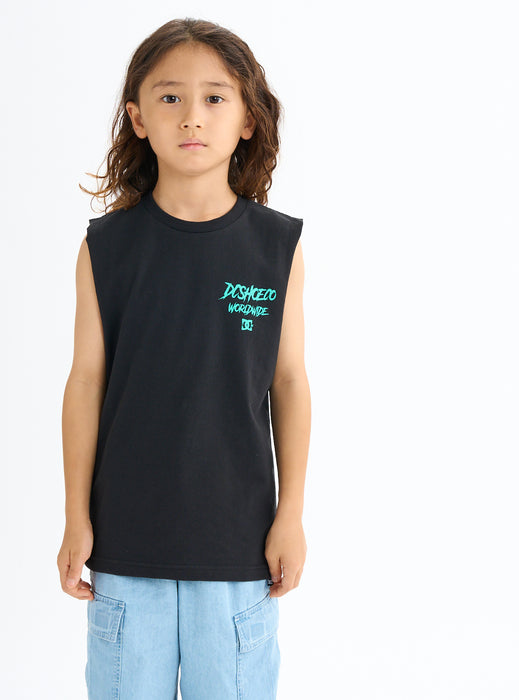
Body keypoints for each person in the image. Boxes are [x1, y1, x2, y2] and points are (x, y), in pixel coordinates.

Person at [57, 17, 311, 700]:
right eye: (169, 97)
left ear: (248, 119)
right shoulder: (106, 249)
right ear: (138, 118)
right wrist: (76, 517)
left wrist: (290, 514)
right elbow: (85, 383)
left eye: (214, 98)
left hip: (238, 550)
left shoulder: (276, 249)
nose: (191, 116)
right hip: (124, 546)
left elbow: (289, 382)